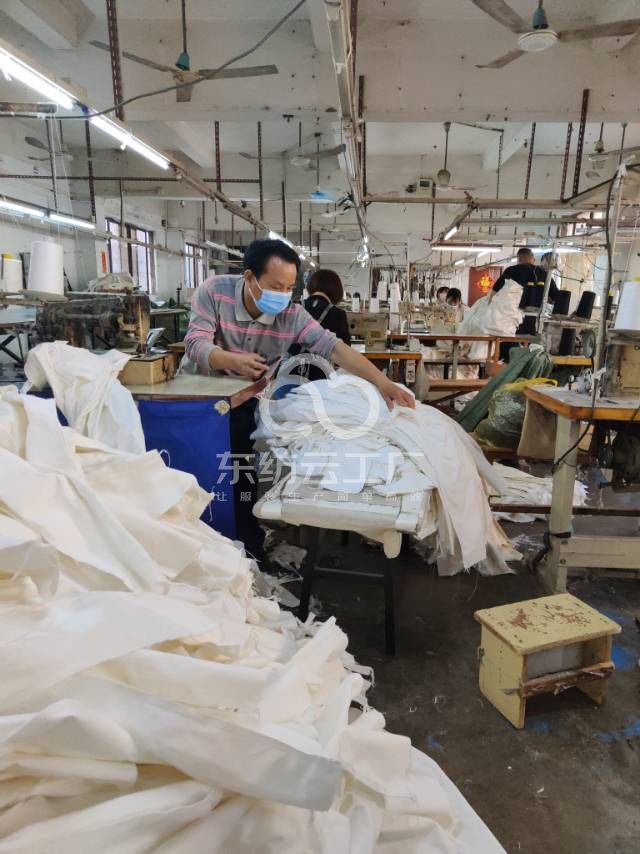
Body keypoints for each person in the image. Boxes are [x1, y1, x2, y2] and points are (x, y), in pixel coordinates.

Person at [184, 238, 414, 564]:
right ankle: (191, 538)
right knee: (194, 471)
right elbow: (195, 344)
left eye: (290, 288)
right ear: (250, 278)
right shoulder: (214, 292)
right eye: (276, 286)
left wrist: (383, 382)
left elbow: (335, 348)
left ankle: (246, 546)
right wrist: (231, 360)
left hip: (244, 400)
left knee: (238, 469)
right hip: (196, 397)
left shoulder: (292, 316)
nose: (283, 295)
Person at [489, 246, 559, 304]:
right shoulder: (542, 272)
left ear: (519, 258)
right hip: (535, 311)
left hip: (512, 311)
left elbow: (495, 290)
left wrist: (490, 304)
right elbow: (555, 295)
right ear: (533, 258)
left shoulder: (510, 270)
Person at [303, 268, 351, 344]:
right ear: (336, 290)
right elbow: (346, 347)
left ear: (310, 285)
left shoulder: (297, 308)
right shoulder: (338, 315)